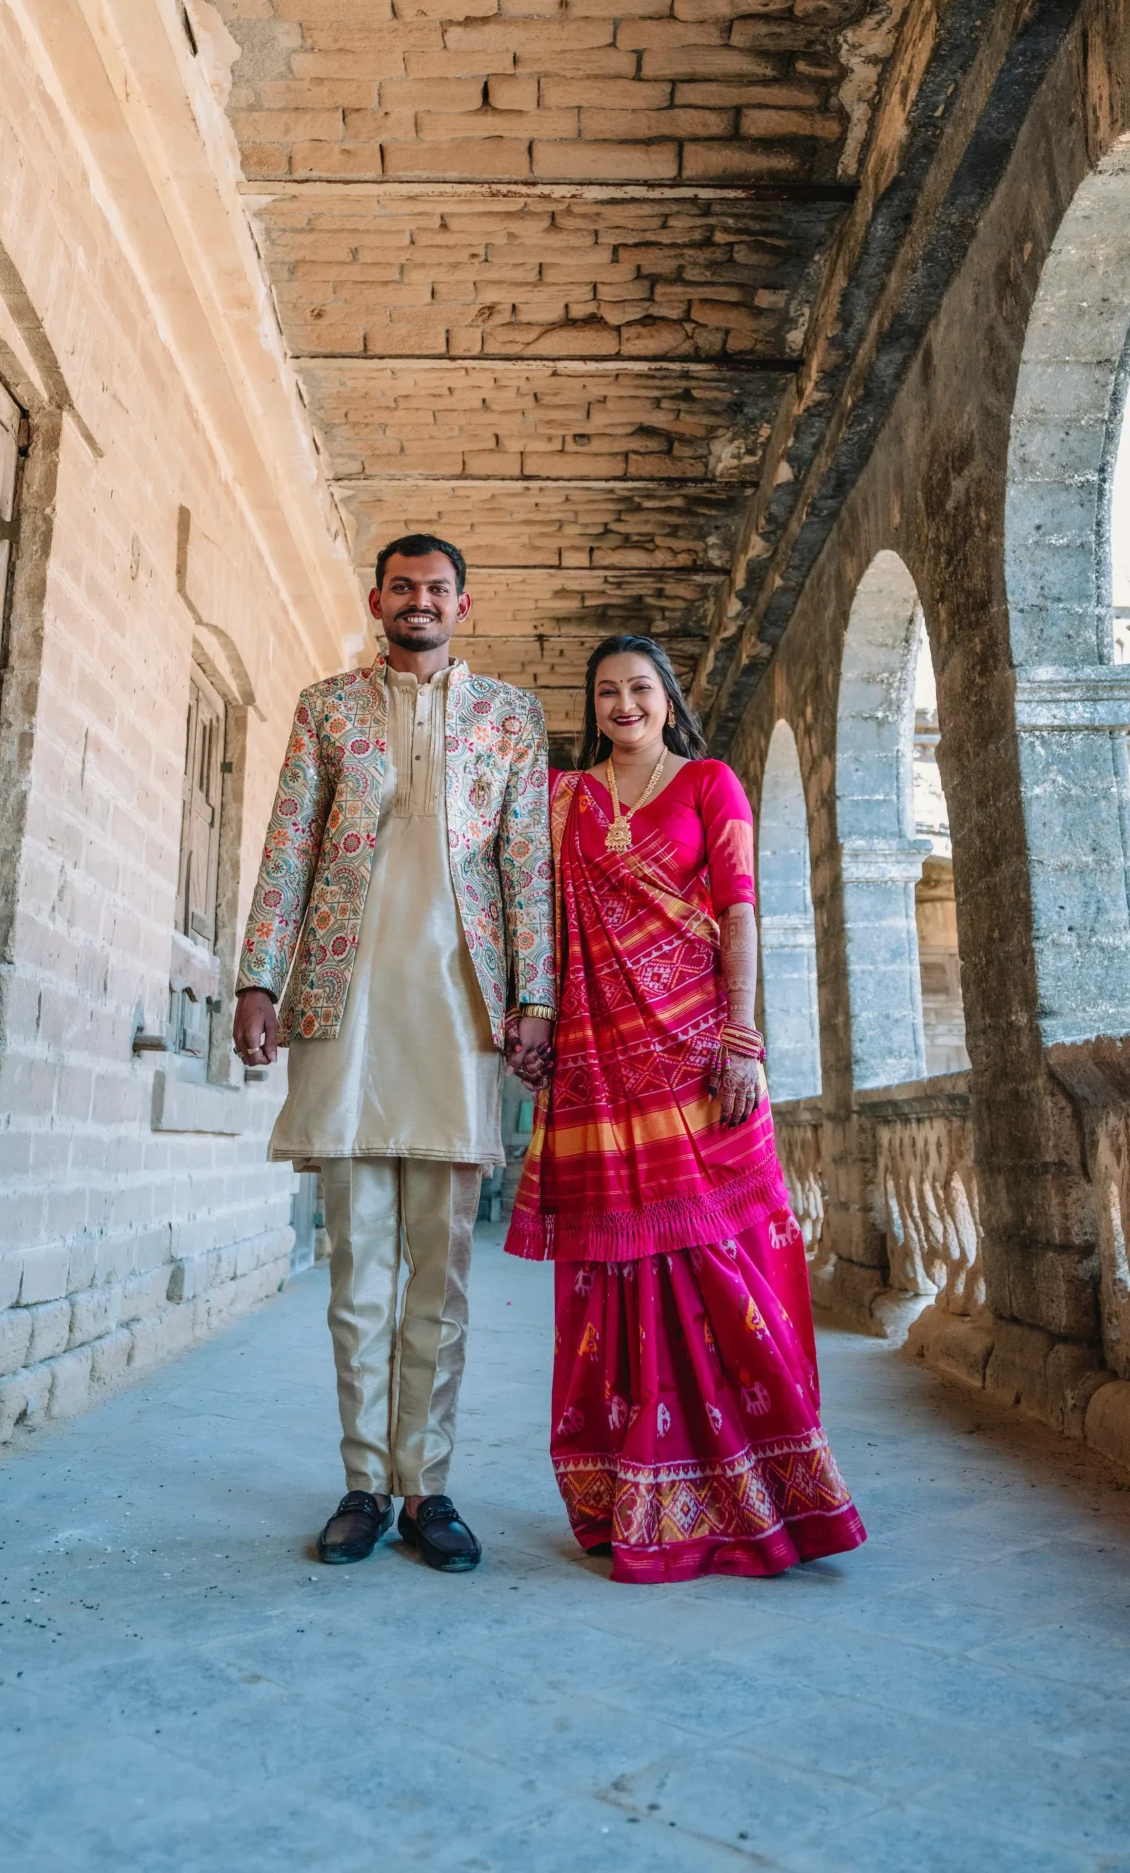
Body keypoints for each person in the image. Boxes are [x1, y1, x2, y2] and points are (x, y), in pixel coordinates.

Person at [504, 636, 865, 1583]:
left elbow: (738, 909)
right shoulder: (563, 800)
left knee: (725, 1260)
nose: (623, 704)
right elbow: (530, 917)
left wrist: (741, 1039)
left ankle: (763, 1492)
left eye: (640, 688)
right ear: (592, 707)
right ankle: (634, 1490)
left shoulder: (710, 783)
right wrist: (529, 1016)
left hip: (701, 1056)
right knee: (612, 1275)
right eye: (606, 692)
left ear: (668, 699)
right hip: (597, 1065)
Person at [233, 534, 554, 1573]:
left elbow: (526, 863)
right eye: (403, 586)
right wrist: (257, 979)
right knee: (358, 1266)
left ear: (464, 604)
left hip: (457, 1011)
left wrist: (534, 998)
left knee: (441, 1272)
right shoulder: (327, 708)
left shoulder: (510, 716)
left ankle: (428, 1487)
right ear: (377, 600)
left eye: (438, 588)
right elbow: (288, 845)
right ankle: (365, 1483)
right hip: (345, 1007)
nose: (421, 600)